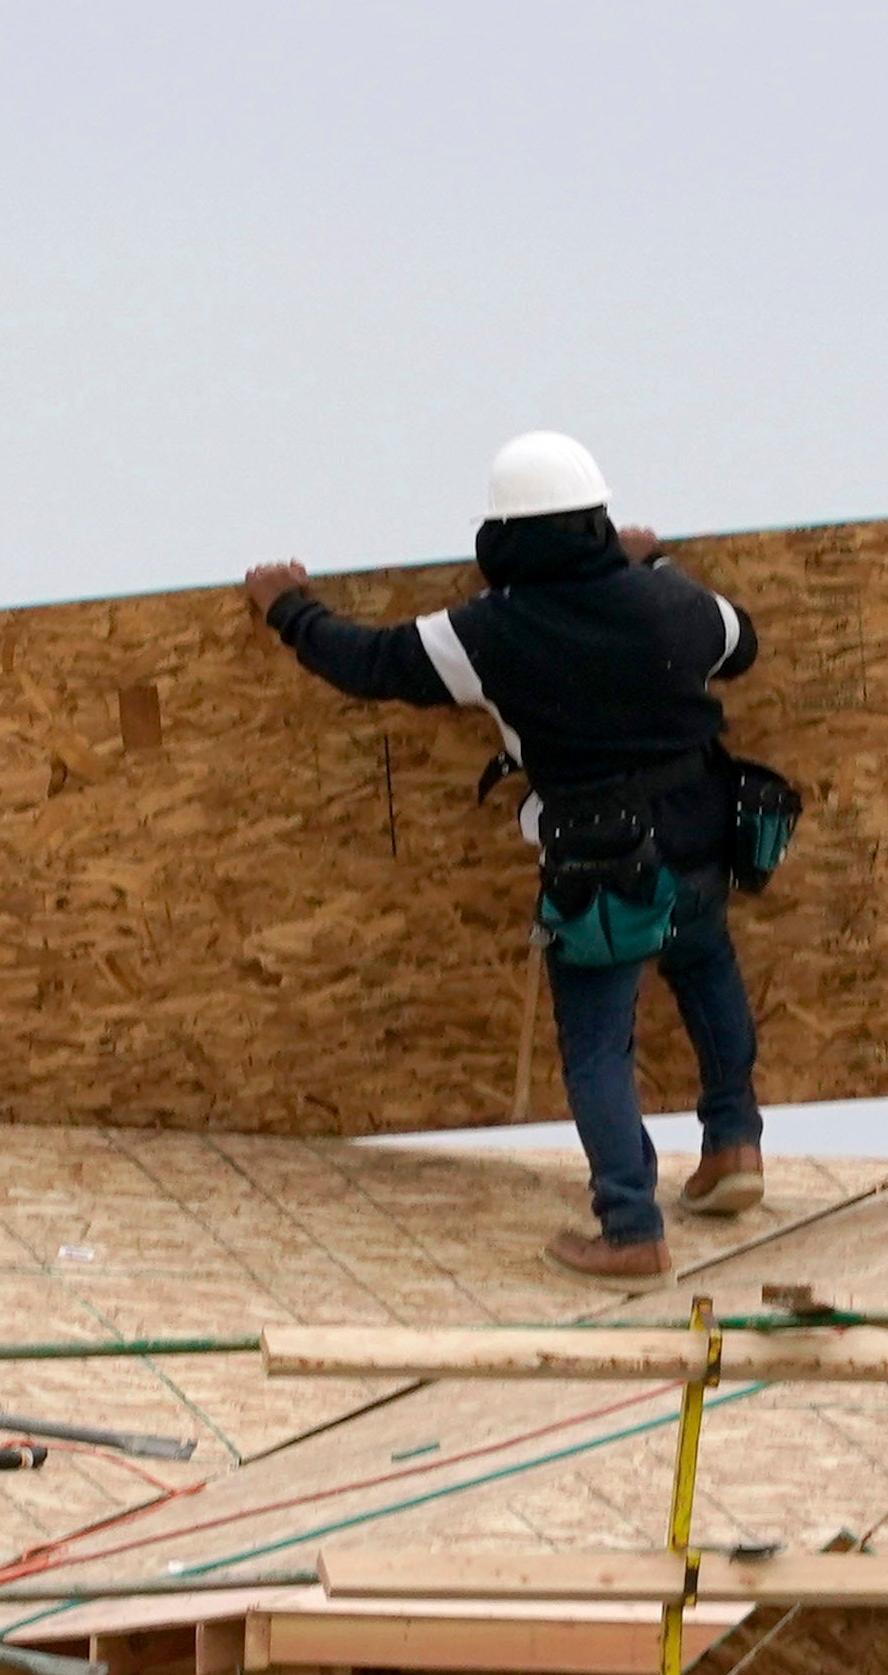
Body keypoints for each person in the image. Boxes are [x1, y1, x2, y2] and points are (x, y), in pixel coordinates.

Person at [244, 432, 768, 1280]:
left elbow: (370, 663)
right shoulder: (672, 602)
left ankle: (631, 1229)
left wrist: (288, 609)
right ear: (596, 521)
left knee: (597, 1044)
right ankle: (733, 1146)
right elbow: (741, 645)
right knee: (706, 970)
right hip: (701, 831)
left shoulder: (489, 632)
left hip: (602, 866)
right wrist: (654, 565)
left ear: (503, 537)